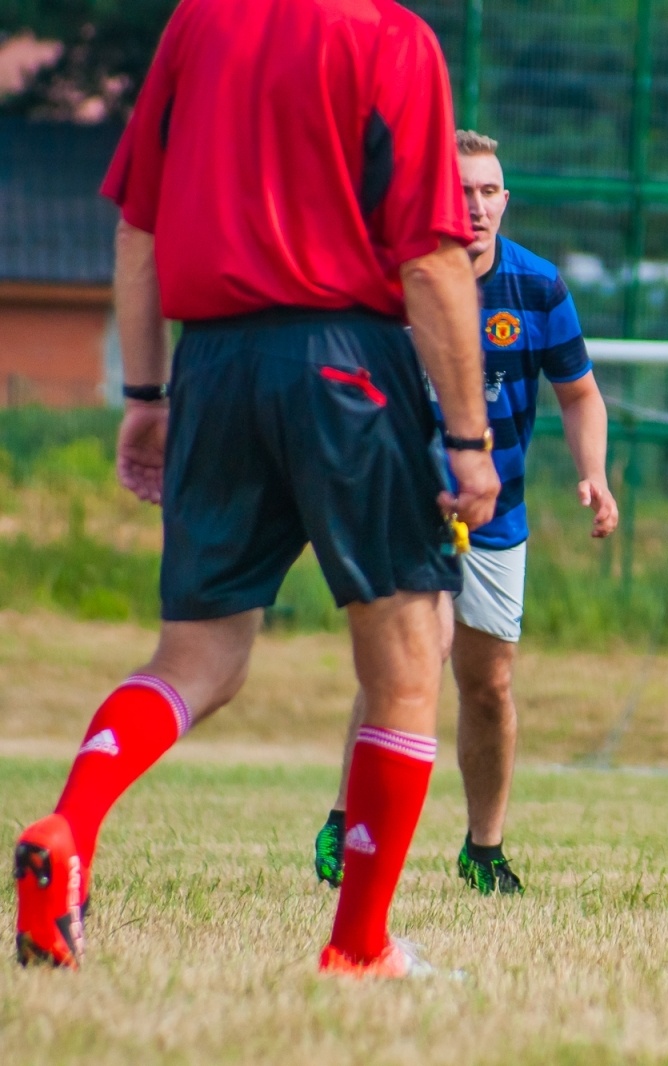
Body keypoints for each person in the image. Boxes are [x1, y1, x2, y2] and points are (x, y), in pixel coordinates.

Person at [13, 0, 499, 978]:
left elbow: (137, 228)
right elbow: (434, 260)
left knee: (197, 659)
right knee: (405, 661)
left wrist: (145, 393)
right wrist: (469, 440)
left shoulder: (199, 23)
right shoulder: (392, 37)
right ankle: (358, 945)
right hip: (345, 364)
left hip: (214, 364)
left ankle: (69, 829)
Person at [312, 130, 617, 896]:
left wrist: (594, 474)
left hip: (497, 514)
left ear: (506, 200)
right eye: (462, 192)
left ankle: (483, 849)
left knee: (488, 684)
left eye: (489, 191)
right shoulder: (394, 280)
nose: (476, 206)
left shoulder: (538, 287)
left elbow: (580, 393)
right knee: (400, 665)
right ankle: (348, 822)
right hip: (400, 501)